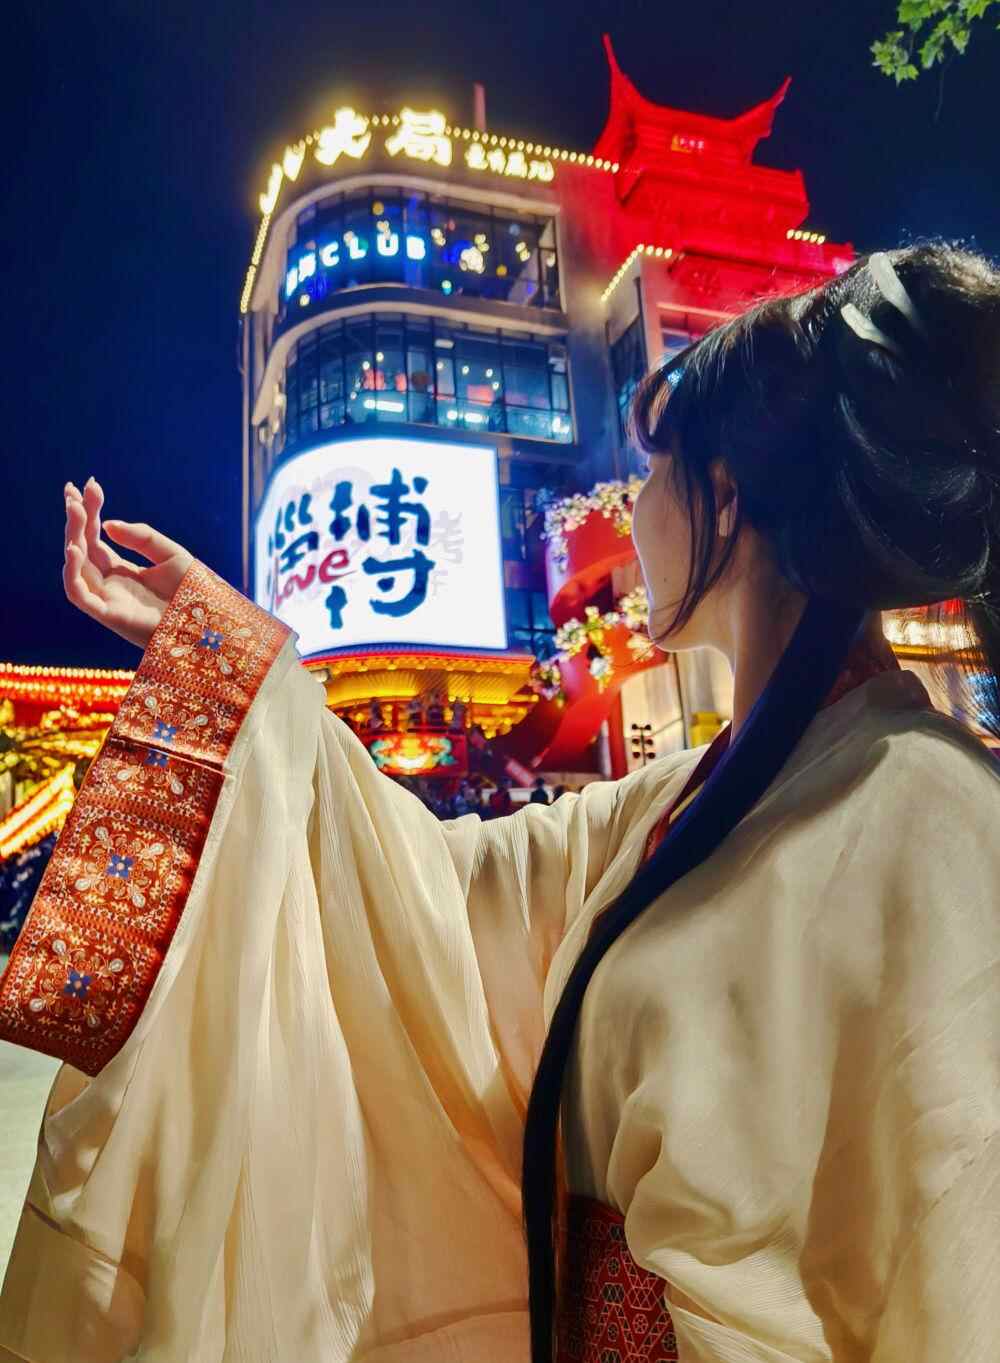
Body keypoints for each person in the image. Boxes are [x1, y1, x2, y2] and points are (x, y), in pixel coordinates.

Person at [1, 244, 998, 1363]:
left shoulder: (936, 818)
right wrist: (227, 657)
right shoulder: (672, 807)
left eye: (655, 470)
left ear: (724, 496)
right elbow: (425, 887)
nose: (633, 508)